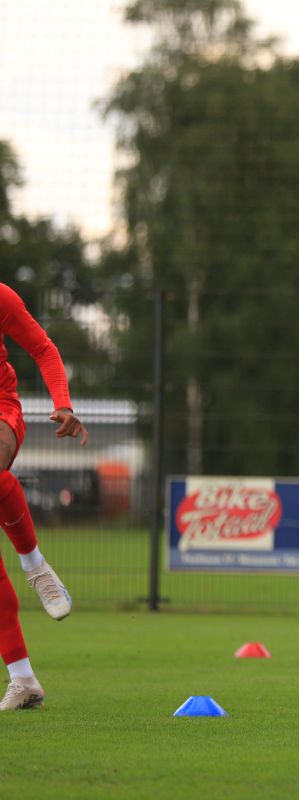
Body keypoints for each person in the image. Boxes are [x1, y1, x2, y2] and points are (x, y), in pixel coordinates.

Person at [0, 283, 88, 711]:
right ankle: (24, 679)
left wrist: (64, 404)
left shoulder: (1, 297)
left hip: (2, 411)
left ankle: (36, 567)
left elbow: (44, 350)